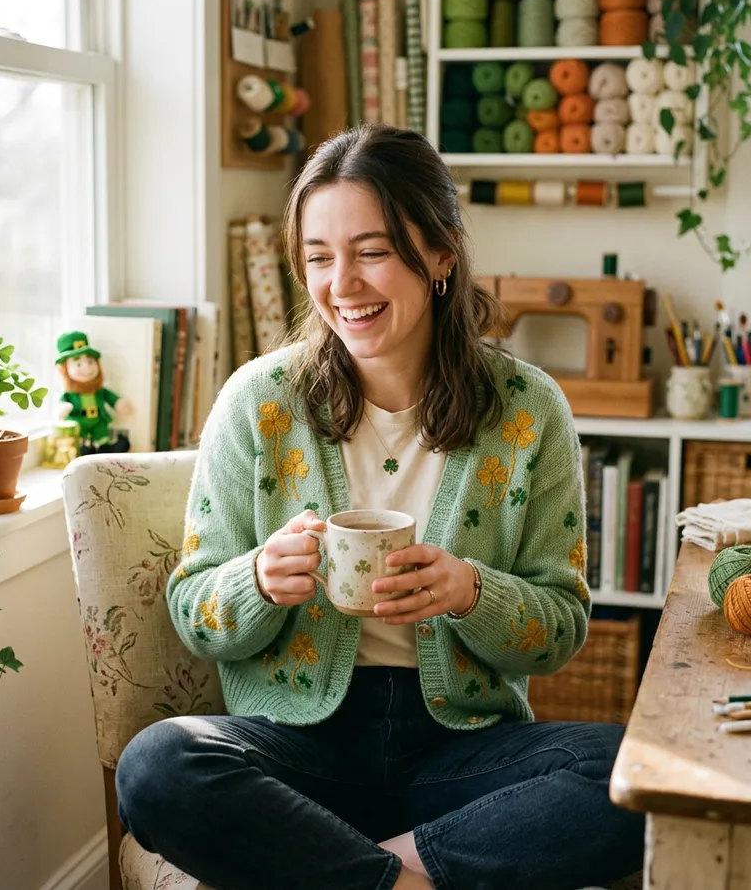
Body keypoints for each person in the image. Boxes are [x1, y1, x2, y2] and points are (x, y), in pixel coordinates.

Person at [115, 124, 644, 890]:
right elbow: (194, 611)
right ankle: (409, 876)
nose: (343, 285)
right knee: (158, 765)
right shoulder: (258, 403)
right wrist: (257, 580)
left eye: (371, 252)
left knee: (630, 775)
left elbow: (559, 629)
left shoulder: (528, 410)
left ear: (440, 254)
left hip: (457, 750)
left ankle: (362, 870)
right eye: (320, 258)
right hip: (296, 748)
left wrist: (471, 592)